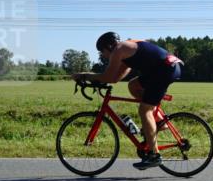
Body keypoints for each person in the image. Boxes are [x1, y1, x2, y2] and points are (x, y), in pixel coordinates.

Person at [72, 32, 182, 170]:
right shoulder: (126, 50)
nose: (103, 55)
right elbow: (114, 78)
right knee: (133, 86)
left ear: (108, 46)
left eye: (102, 52)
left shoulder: (119, 50)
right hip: (163, 68)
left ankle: (154, 156)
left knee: (144, 110)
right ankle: (159, 121)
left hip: (165, 70)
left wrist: (84, 76)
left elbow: (108, 76)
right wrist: (95, 79)